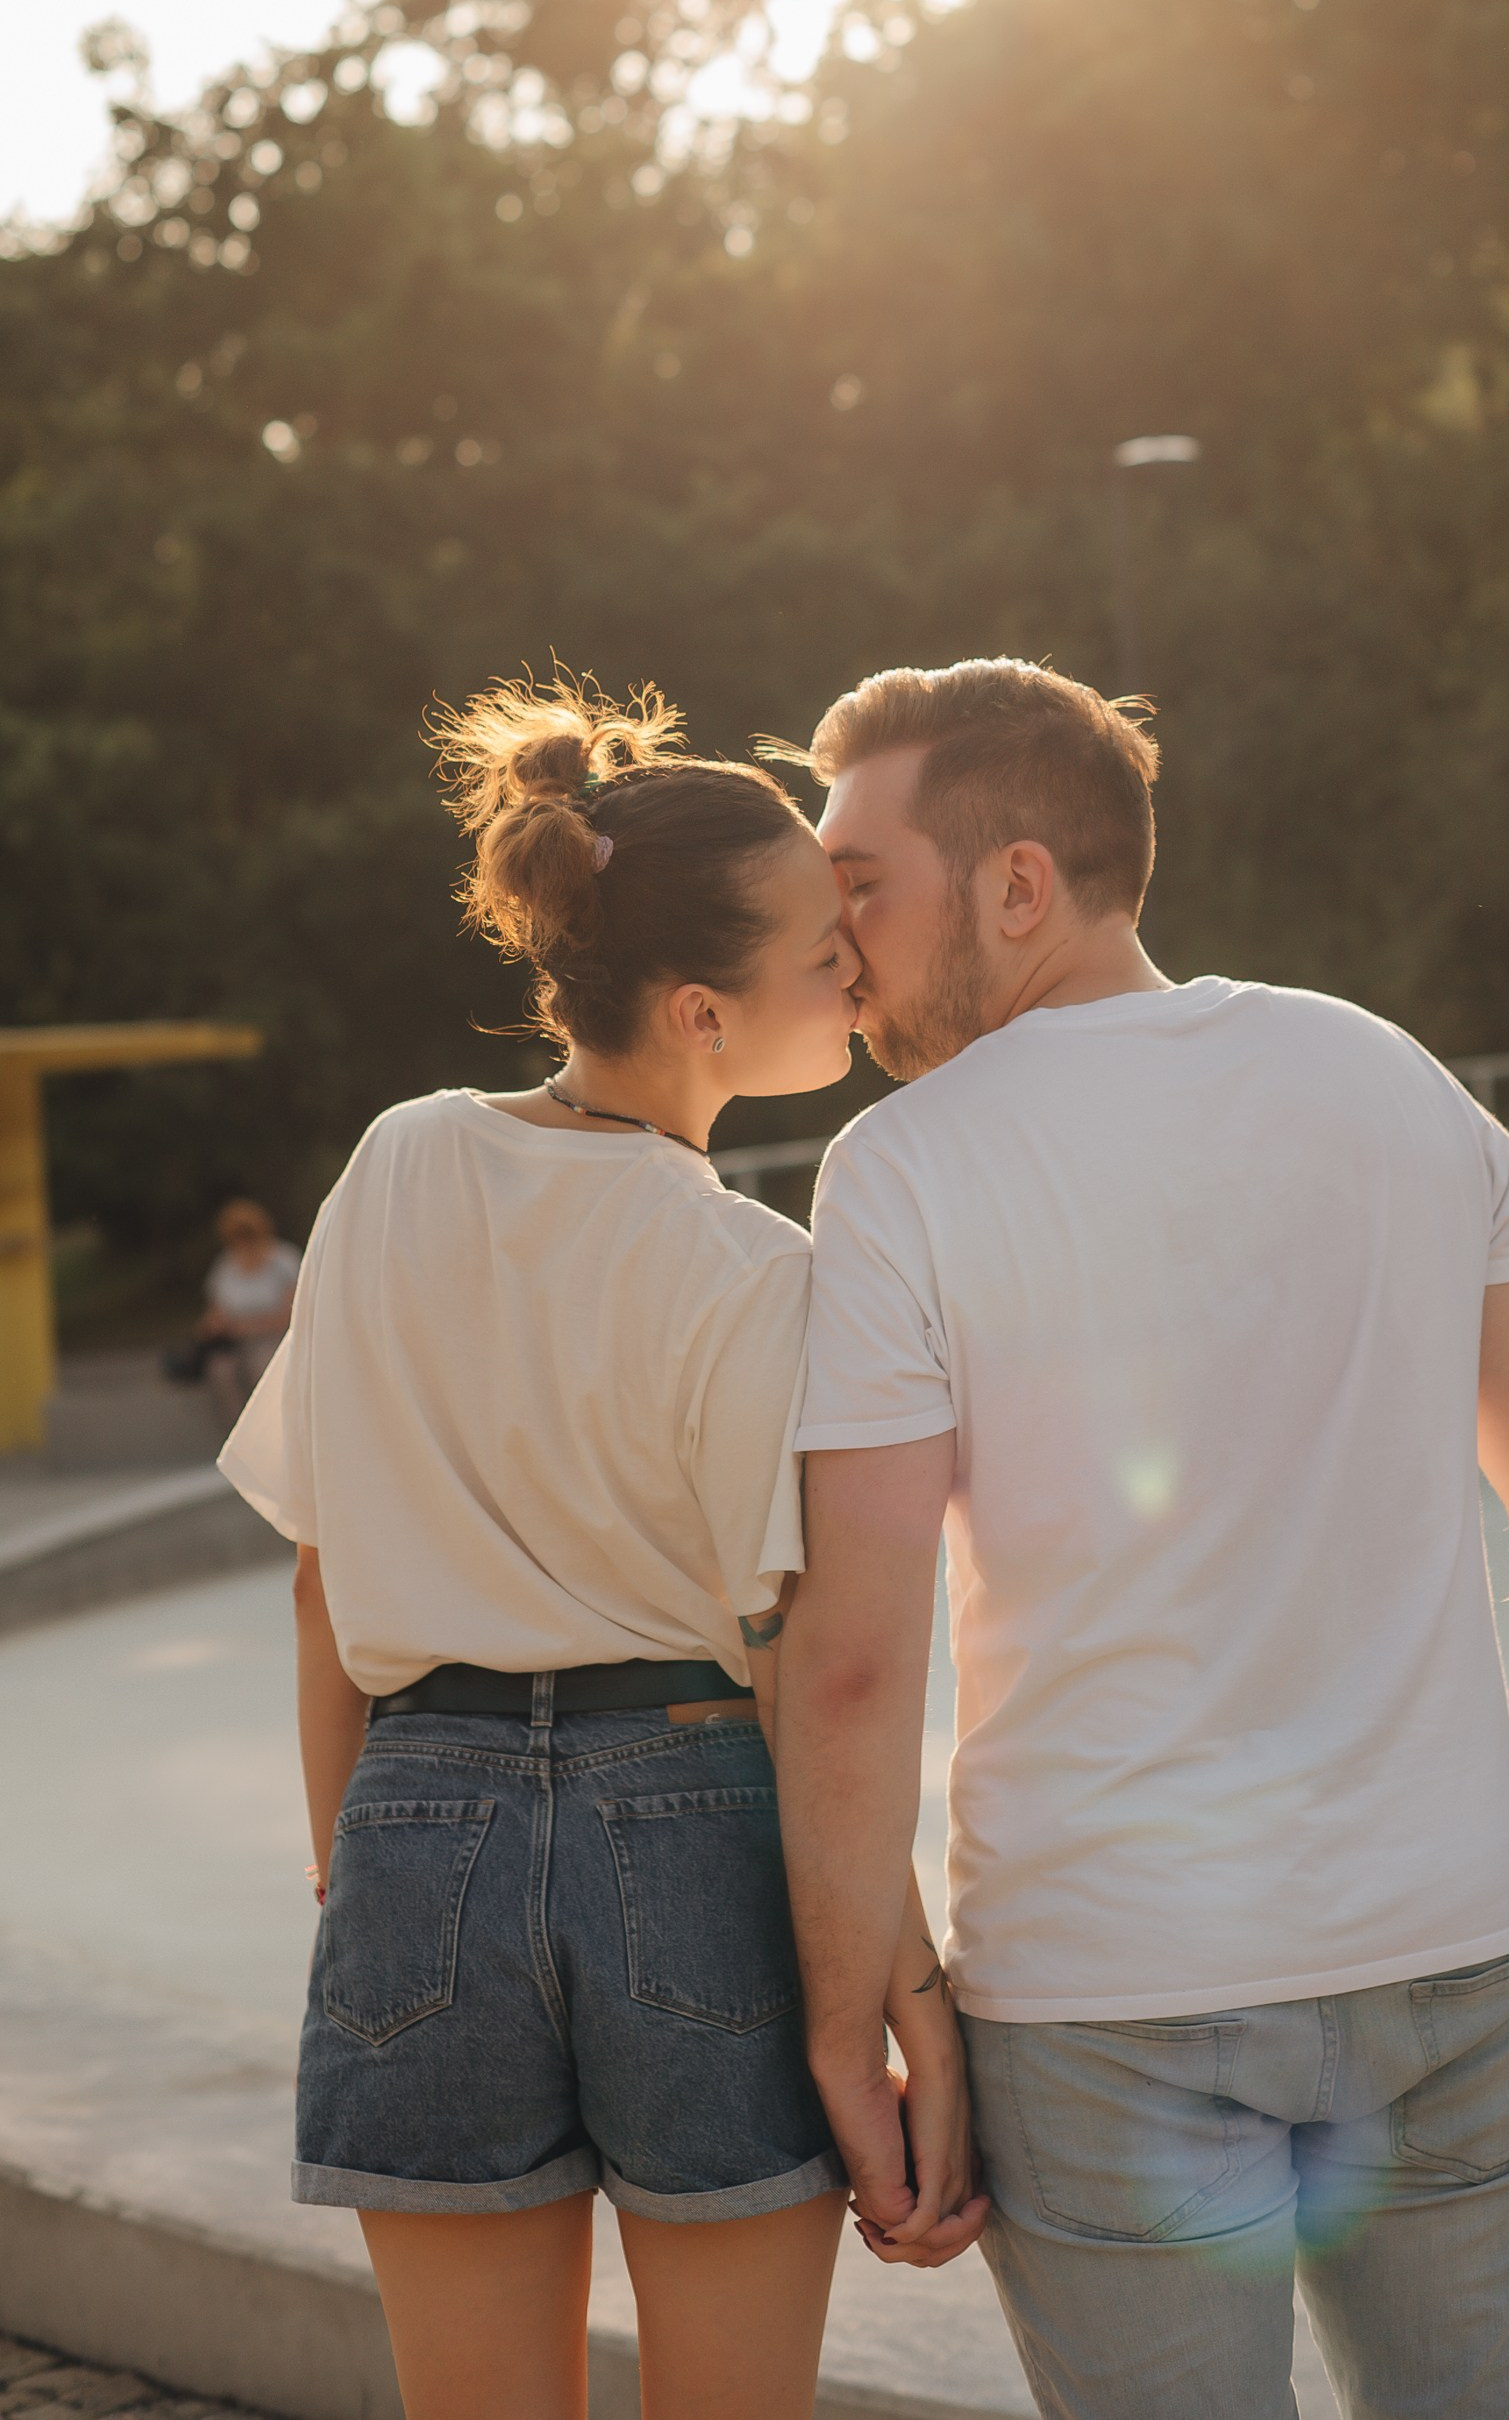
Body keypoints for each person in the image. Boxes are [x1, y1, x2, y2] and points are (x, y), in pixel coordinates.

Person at [770, 657, 1509, 2420]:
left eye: (860, 884)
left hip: (1106, 1995)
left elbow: (856, 1658)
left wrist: (849, 2012)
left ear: (1021, 882)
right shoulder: (1397, 1079)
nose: (829, 934)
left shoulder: (902, 1170)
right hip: (1451, 1950)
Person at [216, 677, 982, 2420]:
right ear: (705, 1013)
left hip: (418, 1813)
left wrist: (377, 1864)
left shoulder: (401, 1162)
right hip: (694, 1821)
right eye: (824, 955)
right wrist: (904, 1992)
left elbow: (323, 1577)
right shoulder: (760, 1277)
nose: (857, 973)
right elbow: (804, 1675)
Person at [166, 1198, 301, 1421]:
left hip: (273, 1337)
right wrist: (213, 1326)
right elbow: (215, 1309)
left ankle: (275, 1427)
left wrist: (247, 1326)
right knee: (221, 1371)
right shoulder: (226, 1265)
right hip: (235, 1340)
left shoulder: (284, 1261)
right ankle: (238, 1430)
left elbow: (292, 1313)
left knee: (263, 1366)